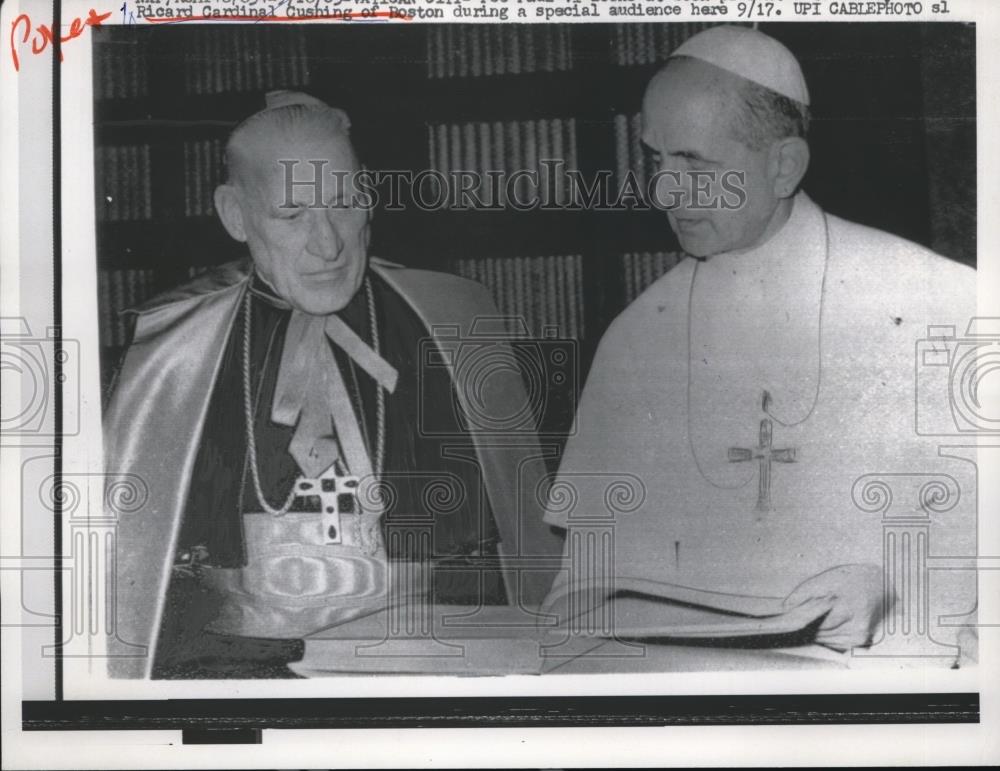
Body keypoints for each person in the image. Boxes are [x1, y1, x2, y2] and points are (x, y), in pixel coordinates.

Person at [542, 26, 977, 658]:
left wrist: (898, 593)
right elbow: (580, 589)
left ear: (783, 166)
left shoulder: (940, 302)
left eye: (695, 163)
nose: (664, 191)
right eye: (656, 160)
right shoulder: (636, 336)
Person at [105, 91, 562, 678]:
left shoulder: (456, 322)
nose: (329, 245)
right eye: (292, 215)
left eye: (344, 203)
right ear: (235, 215)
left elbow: (525, 555)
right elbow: (128, 582)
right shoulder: (167, 347)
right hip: (230, 671)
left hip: (429, 661)